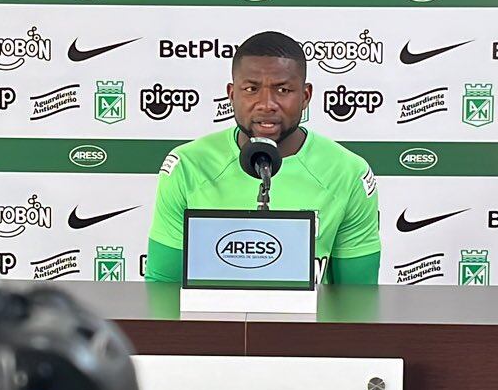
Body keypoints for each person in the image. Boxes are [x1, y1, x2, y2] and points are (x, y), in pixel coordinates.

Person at [144, 30, 382, 284]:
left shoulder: (347, 172)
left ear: (305, 97)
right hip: (210, 323)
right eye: (251, 89)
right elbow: (162, 289)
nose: (266, 103)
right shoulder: (187, 166)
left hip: (307, 323)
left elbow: (358, 299)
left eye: (283, 89)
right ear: (232, 94)